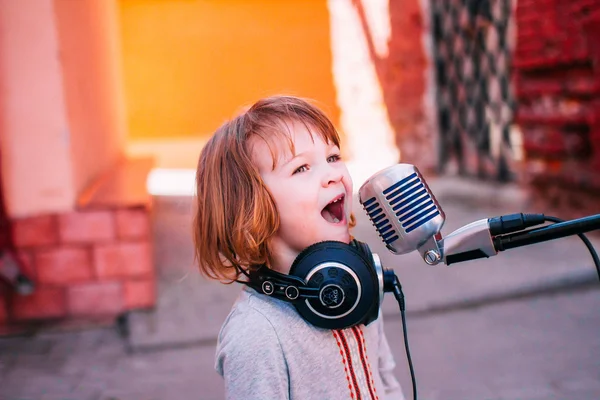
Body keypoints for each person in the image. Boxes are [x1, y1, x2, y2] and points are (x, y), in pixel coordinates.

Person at [194, 95, 405, 399]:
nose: (334, 174)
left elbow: (386, 379)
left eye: (333, 157)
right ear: (252, 207)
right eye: (302, 168)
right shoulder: (257, 335)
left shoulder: (359, 285)